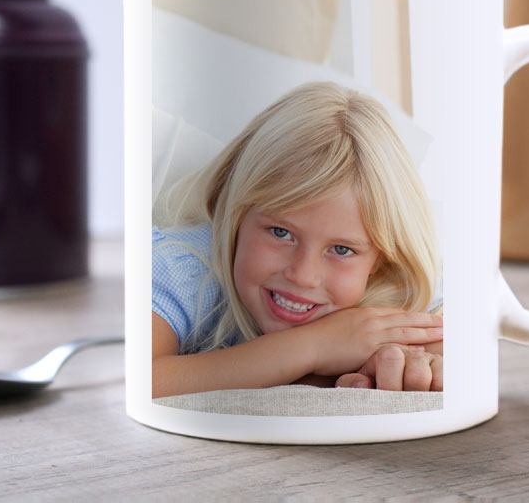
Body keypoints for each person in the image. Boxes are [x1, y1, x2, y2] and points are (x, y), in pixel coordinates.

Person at [152, 81, 443, 398]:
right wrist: (314, 347)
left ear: (380, 259)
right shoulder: (185, 266)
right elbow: (140, 380)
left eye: (341, 249)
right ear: (236, 214)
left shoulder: (397, 296)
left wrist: (412, 363)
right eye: (281, 232)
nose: (303, 276)